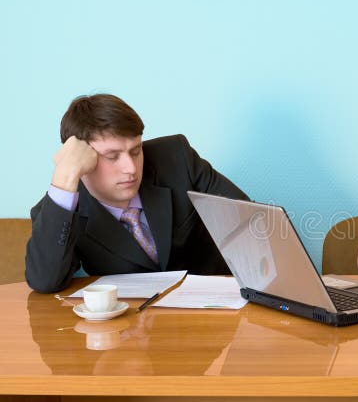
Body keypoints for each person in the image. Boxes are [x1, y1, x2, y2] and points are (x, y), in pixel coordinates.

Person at [25, 94, 249, 293]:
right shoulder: (61, 209)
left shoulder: (176, 158)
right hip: (127, 328)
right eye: (112, 156)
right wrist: (65, 175)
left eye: (135, 151)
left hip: (211, 317)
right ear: (82, 160)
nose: (131, 168)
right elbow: (45, 282)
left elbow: (248, 221)